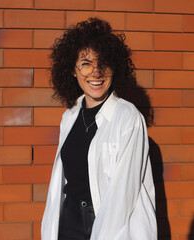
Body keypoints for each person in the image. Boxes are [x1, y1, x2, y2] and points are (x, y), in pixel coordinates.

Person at [41, 17, 157, 240]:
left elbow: (122, 195)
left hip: (108, 227)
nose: (96, 72)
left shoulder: (127, 117)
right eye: (86, 64)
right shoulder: (70, 116)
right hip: (68, 224)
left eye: (103, 63)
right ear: (73, 71)